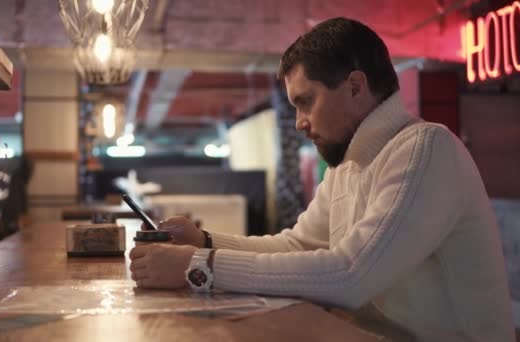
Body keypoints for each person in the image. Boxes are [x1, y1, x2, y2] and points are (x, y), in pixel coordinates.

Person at [129, 17, 515, 341]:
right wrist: (206, 241)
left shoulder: (426, 149)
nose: (299, 123)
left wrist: (199, 266)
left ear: (355, 87)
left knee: (247, 328)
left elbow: (350, 275)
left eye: (305, 101)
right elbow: (297, 245)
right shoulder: (350, 163)